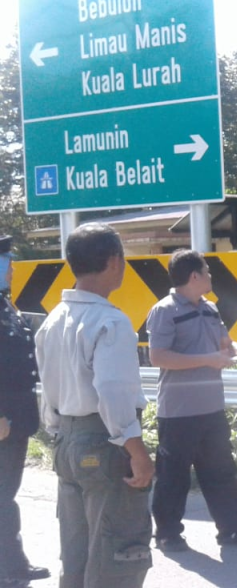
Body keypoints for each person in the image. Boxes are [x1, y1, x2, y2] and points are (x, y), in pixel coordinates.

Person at [35, 223, 154, 588]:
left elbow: (47, 390)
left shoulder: (53, 320)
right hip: (105, 442)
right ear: (115, 261)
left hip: (66, 441)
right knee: (117, 552)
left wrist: (62, 434)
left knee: (77, 550)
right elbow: (113, 392)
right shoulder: (110, 321)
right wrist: (137, 451)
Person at [147, 249, 237, 552]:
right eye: (207, 271)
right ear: (194, 276)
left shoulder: (210, 308)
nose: (211, 276)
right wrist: (207, 360)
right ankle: (168, 533)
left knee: (221, 471)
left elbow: (225, 343)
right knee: (173, 476)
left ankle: (232, 529)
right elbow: (158, 356)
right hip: (178, 411)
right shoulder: (164, 310)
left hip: (212, 407)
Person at [0, 239, 50, 585]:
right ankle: (10, 569)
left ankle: (14, 564)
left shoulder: (6, 305)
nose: (13, 269)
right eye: (7, 263)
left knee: (6, 496)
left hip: (16, 420)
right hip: (3, 419)